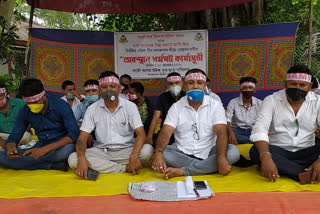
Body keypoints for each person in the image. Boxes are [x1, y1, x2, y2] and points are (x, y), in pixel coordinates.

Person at [152, 68, 240, 179]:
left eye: (199, 83)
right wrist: (158, 152)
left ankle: (184, 171)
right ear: (185, 86)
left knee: (233, 152)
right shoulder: (176, 107)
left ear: (205, 86)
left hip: (210, 151)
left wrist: (221, 158)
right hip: (182, 152)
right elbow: (166, 131)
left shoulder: (215, 105)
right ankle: (208, 166)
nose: (195, 86)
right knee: (165, 154)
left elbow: (222, 133)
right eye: (191, 83)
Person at [68, 71, 154, 179]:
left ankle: (105, 167)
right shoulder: (92, 109)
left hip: (126, 151)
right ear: (99, 90)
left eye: (112, 86)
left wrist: (133, 155)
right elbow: (82, 137)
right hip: (101, 151)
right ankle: (124, 168)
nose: (108, 90)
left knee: (147, 150)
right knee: (73, 159)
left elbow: (141, 134)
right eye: (104, 87)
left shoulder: (130, 106)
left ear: (119, 88)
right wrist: (81, 157)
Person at [249, 64, 320, 183]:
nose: (298, 88)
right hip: (277, 150)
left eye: (302, 85)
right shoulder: (271, 100)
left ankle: (292, 170)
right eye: (293, 84)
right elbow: (260, 129)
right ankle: (304, 174)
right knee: (256, 151)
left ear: (310, 86)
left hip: (307, 151)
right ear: (285, 83)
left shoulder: (317, 102)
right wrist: (266, 156)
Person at [0, 78, 79, 171]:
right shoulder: (25, 110)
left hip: (61, 145)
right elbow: (15, 135)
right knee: (2, 156)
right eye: (29, 103)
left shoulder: (61, 105)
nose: (32, 105)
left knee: (65, 152)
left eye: (35, 102)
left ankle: (32, 162)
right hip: (41, 144)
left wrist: (44, 150)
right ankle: (49, 165)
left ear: (44, 95)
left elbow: (73, 134)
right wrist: (11, 147)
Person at [145, 72, 186, 146]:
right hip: (167, 132)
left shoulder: (186, 97)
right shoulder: (163, 97)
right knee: (156, 144)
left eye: (177, 83)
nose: (174, 86)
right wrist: (149, 136)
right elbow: (155, 117)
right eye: (171, 83)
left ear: (182, 84)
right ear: (167, 85)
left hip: (183, 132)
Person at [226, 77, 262, 145]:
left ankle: (248, 140)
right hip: (237, 131)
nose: (247, 90)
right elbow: (227, 120)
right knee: (226, 135)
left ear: (254, 90)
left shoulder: (260, 103)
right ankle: (251, 141)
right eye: (245, 88)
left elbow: (263, 121)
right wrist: (231, 134)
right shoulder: (233, 102)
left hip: (253, 130)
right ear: (241, 90)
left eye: (250, 87)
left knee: (264, 136)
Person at [0, 83, 31, 150]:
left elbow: (29, 122)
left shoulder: (20, 103)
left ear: (6, 94)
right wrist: (2, 142)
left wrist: (14, 140)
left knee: (25, 137)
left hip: (21, 134)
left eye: (0, 96)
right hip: (2, 136)